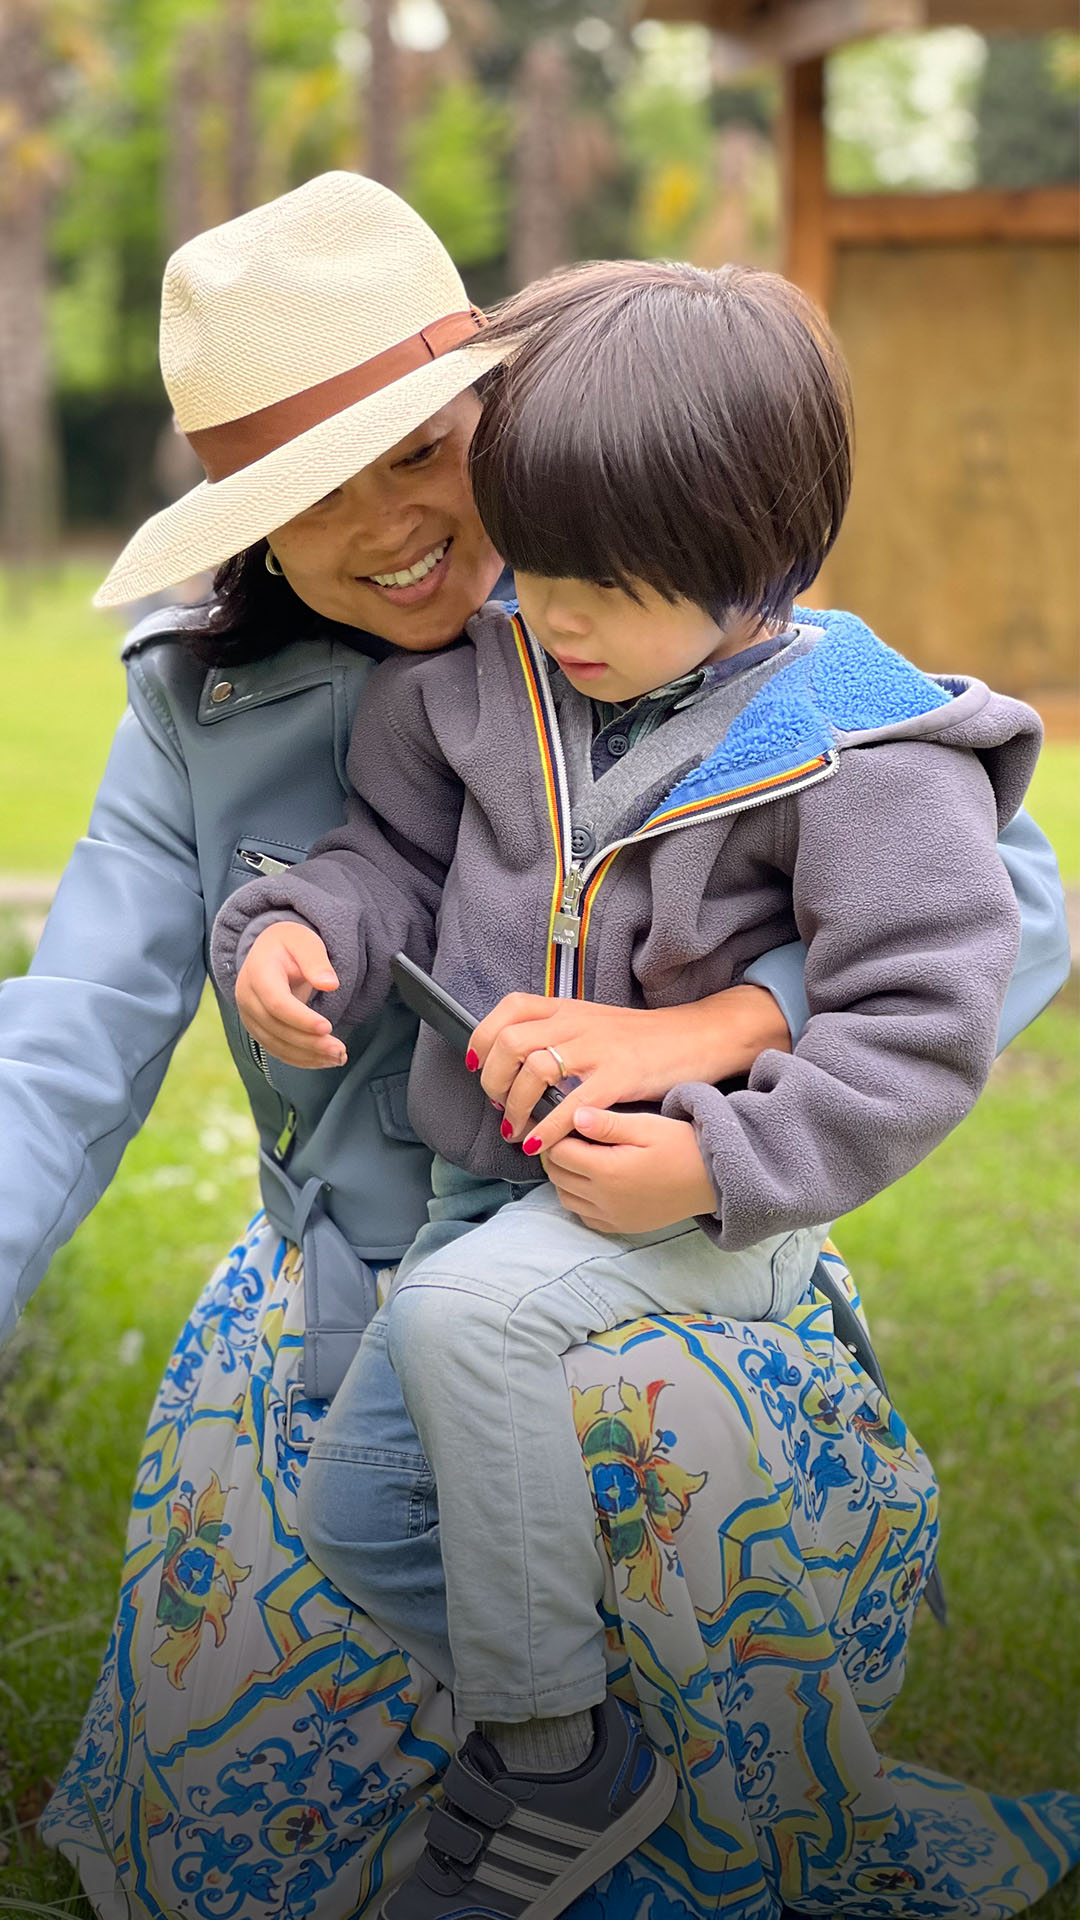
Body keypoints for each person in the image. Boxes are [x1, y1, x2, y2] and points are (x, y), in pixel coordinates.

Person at [0, 173, 1068, 1919]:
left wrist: (716, 1029)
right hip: (358, 1282)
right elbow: (67, 1043)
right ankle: (530, 1768)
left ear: (495, 416)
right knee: (288, 1792)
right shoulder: (216, 711)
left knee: (665, 1637)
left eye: (423, 454)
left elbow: (989, 908)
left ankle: (624, 1777)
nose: (399, 525)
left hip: (649, 1261)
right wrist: (279, 935)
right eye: (314, 496)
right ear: (242, 527)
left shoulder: (660, 602)